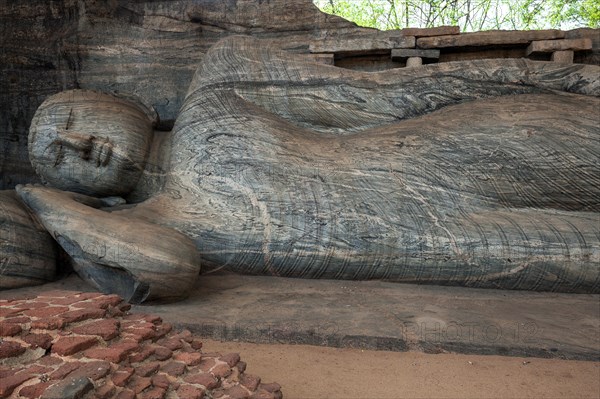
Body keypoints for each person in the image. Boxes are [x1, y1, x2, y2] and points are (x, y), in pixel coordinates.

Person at [19, 36, 600, 302]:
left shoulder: (220, 85)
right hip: (462, 243)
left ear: (129, 103)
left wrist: (557, 81)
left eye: (72, 116)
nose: (76, 142)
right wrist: (42, 202)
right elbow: (165, 268)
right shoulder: (154, 226)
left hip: (469, 150)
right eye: (56, 159)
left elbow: (390, 94)